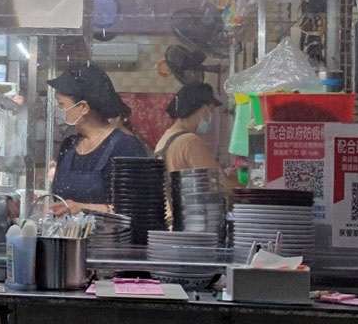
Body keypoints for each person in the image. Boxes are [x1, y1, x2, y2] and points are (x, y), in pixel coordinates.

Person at [46, 62, 148, 215]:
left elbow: (136, 209)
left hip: (109, 237)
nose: (58, 111)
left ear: (83, 108)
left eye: (61, 105)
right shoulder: (69, 145)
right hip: (68, 236)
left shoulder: (126, 148)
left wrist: (82, 208)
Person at [154, 81, 234, 192]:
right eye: (211, 110)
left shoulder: (166, 137)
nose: (211, 117)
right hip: (185, 208)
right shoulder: (189, 141)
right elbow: (222, 185)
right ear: (203, 110)